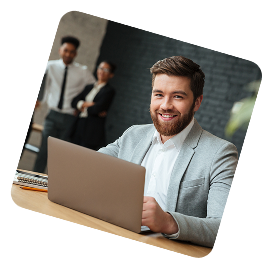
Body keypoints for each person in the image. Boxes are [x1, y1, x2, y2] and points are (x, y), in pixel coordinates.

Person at [98, 56, 238, 248]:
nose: (165, 105)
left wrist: (167, 222)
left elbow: (223, 227)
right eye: (158, 94)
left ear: (197, 103)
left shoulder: (220, 154)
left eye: (178, 96)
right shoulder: (133, 134)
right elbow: (91, 166)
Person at [33, 36, 95, 173]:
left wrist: (81, 105)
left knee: (60, 156)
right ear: (60, 50)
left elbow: (94, 88)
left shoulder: (83, 71)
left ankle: (53, 187)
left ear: (76, 53)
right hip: (52, 115)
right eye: (66, 50)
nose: (68, 54)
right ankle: (33, 180)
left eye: (72, 51)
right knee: (43, 151)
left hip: (70, 117)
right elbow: (40, 85)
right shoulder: (50, 66)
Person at [70, 61, 116, 150]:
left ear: (111, 75)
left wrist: (81, 106)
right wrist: (87, 104)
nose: (102, 71)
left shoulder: (109, 91)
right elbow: (73, 102)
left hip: (92, 131)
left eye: (106, 70)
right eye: (101, 68)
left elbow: (97, 109)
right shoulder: (89, 87)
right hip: (79, 126)